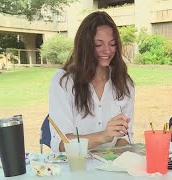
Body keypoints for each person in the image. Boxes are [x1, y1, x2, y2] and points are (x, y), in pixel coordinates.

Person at [48, 11, 135, 152]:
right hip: (76, 168)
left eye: (112, 44)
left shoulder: (124, 83)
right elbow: (62, 144)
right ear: (85, 46)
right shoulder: (63, 82)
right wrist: (104, 136)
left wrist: (127, 152)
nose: (107, 50)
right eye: (98, 44)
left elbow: (125, 136)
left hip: (111, 167)